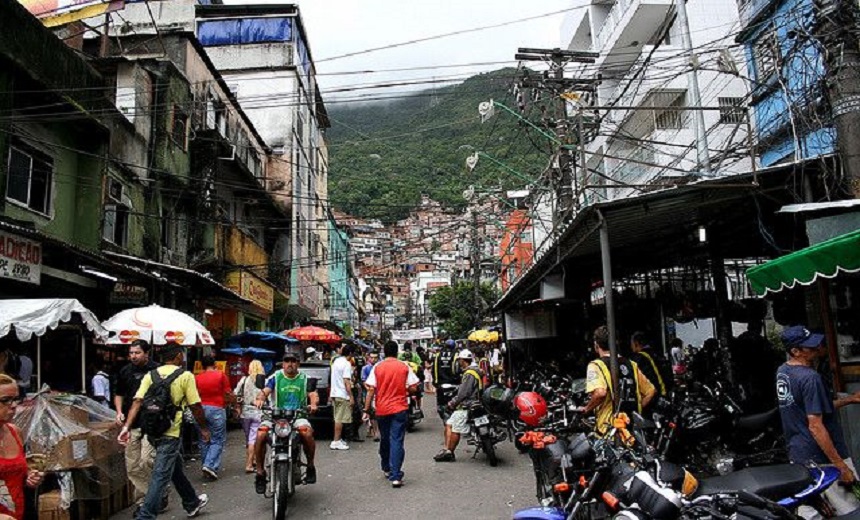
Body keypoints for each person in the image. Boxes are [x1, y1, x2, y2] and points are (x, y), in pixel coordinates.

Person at [118, 344, 210, 520]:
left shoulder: (150, 375)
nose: (183, 358)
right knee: (160, 474)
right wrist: (204, 428)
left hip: (151, 431)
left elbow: (136, 402)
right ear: (177, 357)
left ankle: (192, 502)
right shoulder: (185, 376)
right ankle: (145, 515)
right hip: (171, 432)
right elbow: (195, 405)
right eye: (182, 355)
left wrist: (126, 427)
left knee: (174, 468)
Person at [776, 325, 860, 516]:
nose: (817, 349)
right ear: (795, 351)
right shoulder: (810, 378)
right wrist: (840, 465)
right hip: (823, 458)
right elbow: (815, 425)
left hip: (799, 454)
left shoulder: (783, 372)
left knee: (810, 510)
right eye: (810, 347)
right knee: (849, 509)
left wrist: (849, 399)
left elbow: (812, 407)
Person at [253, 352, 319, 494]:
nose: (290, 364)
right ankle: (260, 472)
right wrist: (259, 399)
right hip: (274, 417)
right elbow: (265, 391)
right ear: (283, 363)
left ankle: (310, 466)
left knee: (306, 433)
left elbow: (312, 394)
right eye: (287, 361)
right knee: (260, 434)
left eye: (293, 361)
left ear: (298, 364)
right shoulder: (276, 377)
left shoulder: (304, 378)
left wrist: (313, 404)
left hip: (297, 416)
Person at [113, 340, 163, 511]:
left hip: (151, 423)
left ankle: (158, 493)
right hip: (131, 424)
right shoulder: (125, 371)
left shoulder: (157, 371)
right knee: (132, 465)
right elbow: (119, 394)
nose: (133, 356)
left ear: (146, 353)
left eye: (137, 352)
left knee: (147, 460)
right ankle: (145, 498)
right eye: (131, 353)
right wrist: (119, 411)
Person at [362, 340, 420, 488]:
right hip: (400, 408)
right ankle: (396, 475)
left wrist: (366, 409)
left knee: (385, 439)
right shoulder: (404, 366)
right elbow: (414, 388)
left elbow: (370, 389)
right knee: (397, 440)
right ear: (396, 352)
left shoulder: (377, 367)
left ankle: (386, 467)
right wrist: (405, 389)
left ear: (384, 352)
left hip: (382, 409)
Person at [583, 326, 656, 435]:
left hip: (609, 429)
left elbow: (600, 393)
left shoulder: (596, 365)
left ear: (596, 345)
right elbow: (651, 391)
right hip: (632, 428)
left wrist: (586, 409)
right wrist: (636, 409)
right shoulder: (631, 364)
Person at [0, 373, 43, 519]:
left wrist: (29, 478)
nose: (13, 406)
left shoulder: (15, 432)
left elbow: (15, 476)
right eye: (5, 400)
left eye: (15, 399)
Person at [433, 349, 483, 462]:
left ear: (462, 360)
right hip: (473, 402)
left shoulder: (469, 374)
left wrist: (452, 403)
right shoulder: (475, 371)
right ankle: (447, 450)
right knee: (449, 423)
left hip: (467, 404)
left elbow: (463, 393)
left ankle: (450, 452)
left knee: (454, 426)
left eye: (459, 360)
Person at [194, 356, 233, 480]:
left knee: (204, 438)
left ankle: (207, 465)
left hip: (200, 409)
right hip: (216, 408)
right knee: (217, 439)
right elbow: (228, 393)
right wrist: (235, 404)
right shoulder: (221, 376)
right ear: (214, 363)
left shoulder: (197, 378)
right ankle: (209, 465)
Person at [235, 360, 265, 473]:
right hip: (258, 413)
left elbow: (236, 393)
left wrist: (238, 406)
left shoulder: (244, 380)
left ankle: (253, 461)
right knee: (254, 440)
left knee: (249, 439)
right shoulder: (264, 381)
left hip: (245, 413)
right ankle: (249, 464)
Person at [629, 332, 671, 401]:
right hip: (665, 395)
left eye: (632, 344)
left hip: (654, 397)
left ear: (636, 343)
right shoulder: (657, 354)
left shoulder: (640, 358)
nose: (631, 347)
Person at [431, 339, 458, 444]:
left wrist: (436, 383)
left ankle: (447, 425)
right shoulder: (456, 355)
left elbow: (434, 370)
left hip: (441, 386)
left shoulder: (438, 356)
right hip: (454, 385)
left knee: (442, 408)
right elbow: (457, 370)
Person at [329, 343, 354, 450]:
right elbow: (346, 381)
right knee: (339, 418)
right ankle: (336, 441)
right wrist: (351, 396)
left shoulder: (336, 361)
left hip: (335, 393)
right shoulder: (346, 364)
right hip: (342, 394)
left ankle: (338, 439)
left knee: (337, 417)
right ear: (351, 353)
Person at [361, 352, 380, 441]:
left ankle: (374, 429)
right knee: (371, 412)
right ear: (368, 358)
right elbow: (364, 381)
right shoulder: (365, 368)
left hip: (379, 393)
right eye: (371, 357)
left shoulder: (380, 367)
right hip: (369, 393)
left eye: (375, 358)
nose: (373, 359)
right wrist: (369, 389)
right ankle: (374, 430)